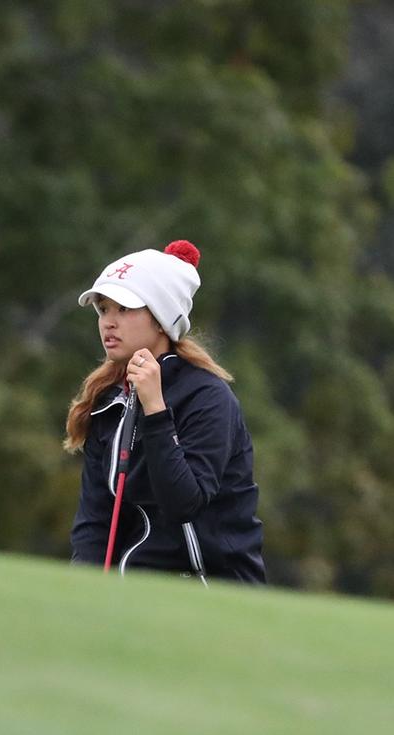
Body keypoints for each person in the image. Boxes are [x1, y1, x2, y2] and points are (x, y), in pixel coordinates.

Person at [66, 240, 266, 584]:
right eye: (103, 309)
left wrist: (155, 411)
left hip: (215, 592)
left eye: (124, 309)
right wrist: (84, 591)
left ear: (161, 320)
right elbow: (94, 520)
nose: (108, 323)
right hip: (134, 588)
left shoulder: (209, 397)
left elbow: (184, 503)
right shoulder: (107, 400)